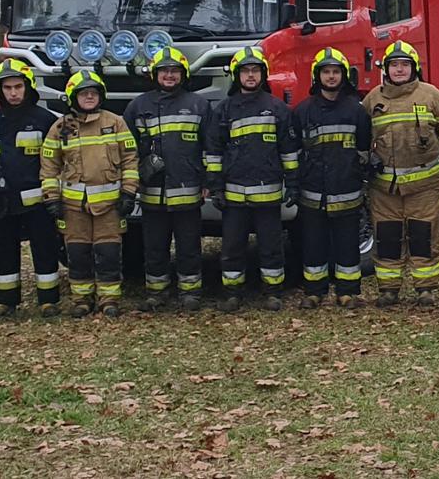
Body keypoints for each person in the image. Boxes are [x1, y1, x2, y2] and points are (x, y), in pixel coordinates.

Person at [206, 46, 299, 312]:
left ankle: (272, 292)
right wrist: (216, 188)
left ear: (263, 74)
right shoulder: (224, 110)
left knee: (271, 247)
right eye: (245, 71)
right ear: (236, 76)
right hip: (233, 197)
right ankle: (233, 293)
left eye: (255, 70)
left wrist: (292, 184)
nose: (250, 75)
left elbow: (289, 151)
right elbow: (213, 151)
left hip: (268, 196)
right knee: (232, 248)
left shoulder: (278, 109)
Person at [41, 71, 138, 318]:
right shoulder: (61, 128)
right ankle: (81, 300)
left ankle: (109, 299)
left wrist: (128, 192)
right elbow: (49, 166)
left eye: (93, 93)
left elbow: (130, 160)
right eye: (84, 93)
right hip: (74, 207)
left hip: (109, 205)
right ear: (73, 97)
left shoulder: (115, 123)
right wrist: (51, 198)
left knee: (108, 253)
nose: (89, 97)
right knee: (77, 254)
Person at [123, 48, 214, 311]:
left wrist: (208, 181)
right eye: (164, 71)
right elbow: (127, 150)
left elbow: (210, 147)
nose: (170, 75)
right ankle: (156, 293)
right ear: (155, 74)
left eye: (174, 71)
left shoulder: (199, 105)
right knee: (154, 247)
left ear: (183, 74)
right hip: (152, 193)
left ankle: (190, 293)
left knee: (189, 245)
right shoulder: (137, 106)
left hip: (188, 190)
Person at [362, 41, 439, 307]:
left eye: (405, 65)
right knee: (387, 237)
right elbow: (362, 138)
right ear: (386, 69)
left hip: (424, 187)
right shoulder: (373, 100)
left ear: (415, 68)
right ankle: (389, 289)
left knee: (424, 237)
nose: (399, 70)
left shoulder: (432, 96)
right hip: (385, 188)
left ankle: (426, 288)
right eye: (394, 65)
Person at [0, 59, 62, 318]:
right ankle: (6, 300)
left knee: (45, 249)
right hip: (4, 200)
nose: (13, 93)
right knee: (3, 250)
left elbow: (56, 161)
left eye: (18, 86)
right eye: (7, 88)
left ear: (28, 87)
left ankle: (48, 301)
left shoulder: (45, 119)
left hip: (38, 200)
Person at [294, 47, 372, 309]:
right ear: (318, 76)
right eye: (326, 72)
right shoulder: (302, 111)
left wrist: (357, 176)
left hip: (347, 190)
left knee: (348, 245)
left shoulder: (357, 111)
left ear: (344, 76)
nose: (331, 77)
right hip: (312, 192)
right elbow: (295, 151)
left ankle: (347, 291)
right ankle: (314, 292)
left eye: (335, 72)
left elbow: (364, 148)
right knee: (313, 245)